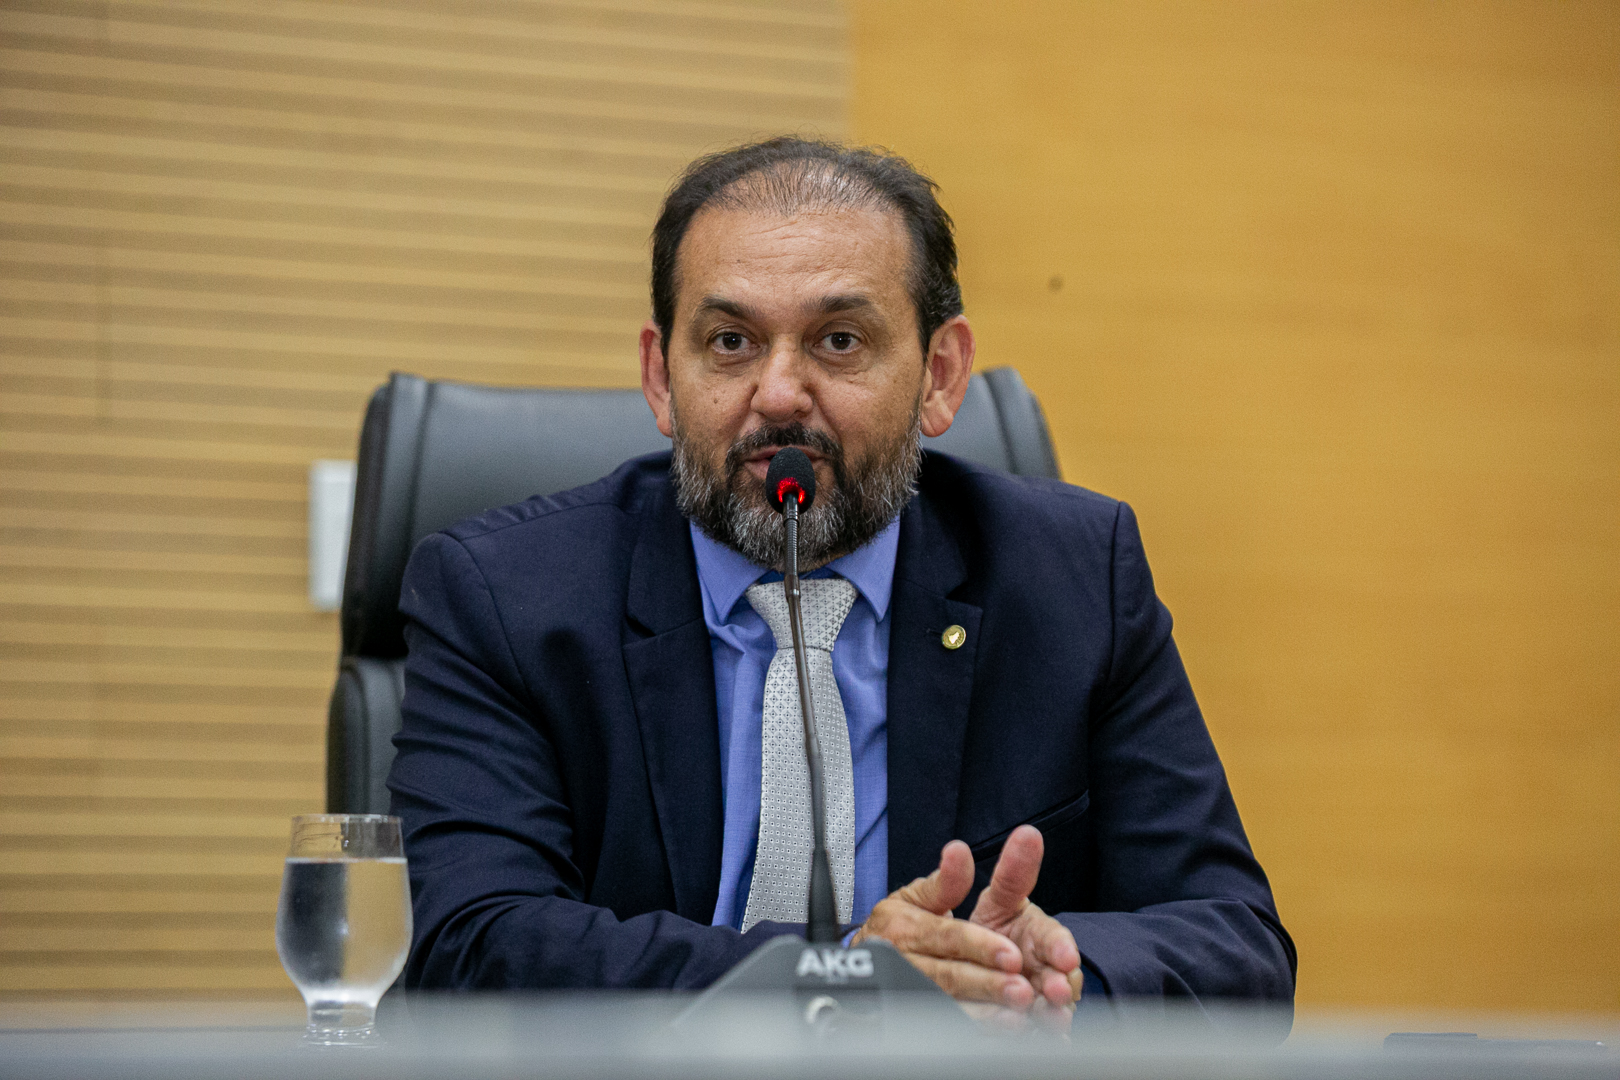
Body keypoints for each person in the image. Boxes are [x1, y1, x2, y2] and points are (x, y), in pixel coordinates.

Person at [388, 138, 1295, 1020]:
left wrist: (1038, 977)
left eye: (839, 340)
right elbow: (470, 945)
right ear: (662, 378)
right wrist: (849, 975)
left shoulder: (1073, 581)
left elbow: (1236, 945)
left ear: (940, 376)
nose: (780, 393)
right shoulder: (503, 597)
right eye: (731, 341)